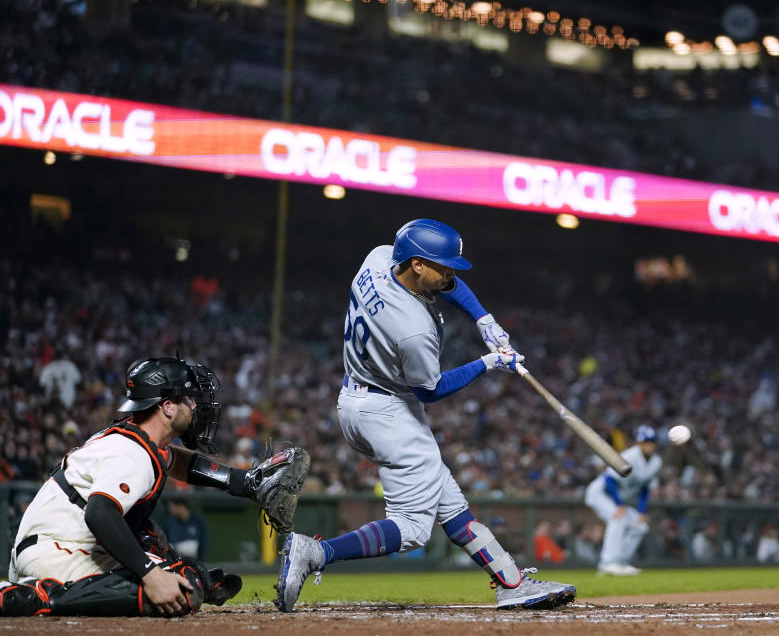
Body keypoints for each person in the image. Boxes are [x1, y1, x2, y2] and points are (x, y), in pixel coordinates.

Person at [276, 218, 576, 611]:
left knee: (449, 503)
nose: (451, 273)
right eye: (443, 265)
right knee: (413, 528)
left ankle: (511, 581)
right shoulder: (412, 329)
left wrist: (483, 318)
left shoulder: (380, 259)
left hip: (357, 396)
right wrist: (488, 363)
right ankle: (316, 553)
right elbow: (430, 390)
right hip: (388, 411)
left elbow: (448, 286)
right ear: (417, 264)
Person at [2, 356, 302, 617]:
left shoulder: (137, 441)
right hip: (56, 552)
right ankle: (39, 598)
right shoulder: (132, 454)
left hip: (57, 543)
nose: (195, 404)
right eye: (188, 398)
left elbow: (180, 463)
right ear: (168, 407)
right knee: (179, 589)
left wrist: (243, 481)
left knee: (174, 564)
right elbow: (99, 512)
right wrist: (150, 574)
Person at [584, 425, 663, 576]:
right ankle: (607, 563)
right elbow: (609, 479)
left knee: (640, 527)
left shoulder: (656, 462)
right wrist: (619, 505)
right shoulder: (630, 456)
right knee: (618, 518)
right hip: (600, 493)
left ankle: (620, 562)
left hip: (616, 498)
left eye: (651, 442)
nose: (648, 445)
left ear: (656, 444)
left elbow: (645, 489)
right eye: (645, 442)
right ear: (639, 443)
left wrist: (641, 511)